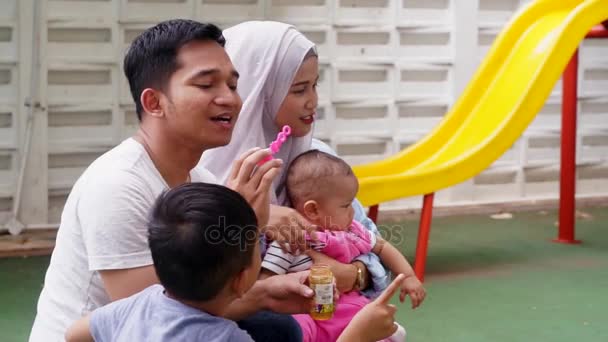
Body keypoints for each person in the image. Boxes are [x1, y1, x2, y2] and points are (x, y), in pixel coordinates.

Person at [29, 19, 313, 342]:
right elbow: (155, 320)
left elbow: (203, 295)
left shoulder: (200, 179)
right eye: (206, 85)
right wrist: (238, 224)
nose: (230, 100)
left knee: (278, 329)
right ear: (154, 103)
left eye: (233, 86)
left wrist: (263, 282)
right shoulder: (117, 185)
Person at [65, 183, 407, 342]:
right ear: (244, 277)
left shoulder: (134, 307)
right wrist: (356, 336)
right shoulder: (225, 338)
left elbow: (74, 334)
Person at [199, 20, 390, 298]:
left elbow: (368, 237)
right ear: (258, 90)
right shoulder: (205, 172)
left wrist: (354, 273)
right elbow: (199, 283)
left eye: (314, 86)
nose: (313, 101)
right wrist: (252, 219)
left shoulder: (319, 159)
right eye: (299, 89)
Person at [261, 150, 427, 342]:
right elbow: (267, 283)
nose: (353, 212)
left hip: (345, 306)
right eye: (346, 205)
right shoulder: (292, 238)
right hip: (304, 311)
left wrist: (408, 276)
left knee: (372, 318)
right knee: (293, 329)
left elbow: (382, 247)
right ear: (313, 209)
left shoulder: (352, 231)